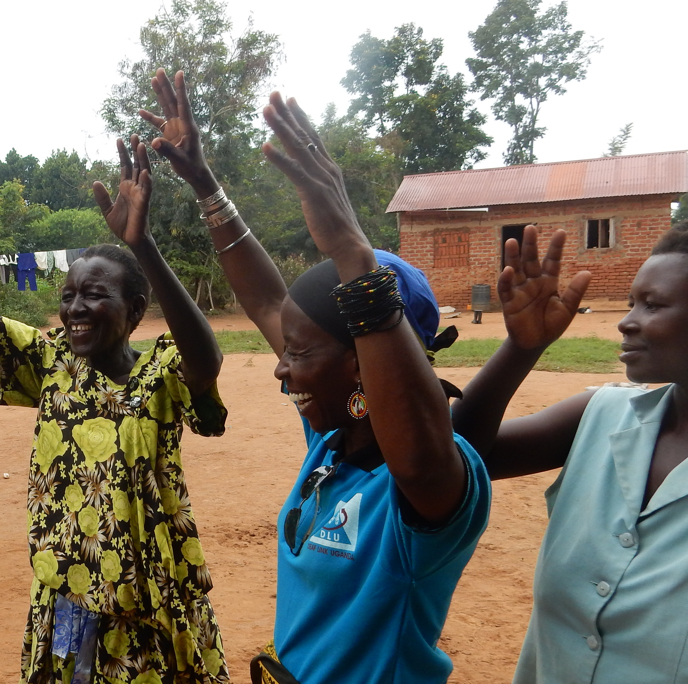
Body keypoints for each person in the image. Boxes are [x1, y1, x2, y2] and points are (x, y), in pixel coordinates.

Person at [139, 70, 491, 684]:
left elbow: (415, 457)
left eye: (298, 352)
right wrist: (204, 184)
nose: (280, 365)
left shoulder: (427, 484)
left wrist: (353, 255)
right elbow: (269, 304)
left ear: (363, 361)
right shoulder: (332, 445)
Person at [0, 105, 229, 684]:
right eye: (69, 295)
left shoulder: (162, 375)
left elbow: (207, 358)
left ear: (133, 312)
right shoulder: (48, 364)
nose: (74, 309)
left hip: (153, 603)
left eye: (94, 295)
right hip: (68, 601)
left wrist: (142, 243)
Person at [451, 220, 688, 683]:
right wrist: (522, 349)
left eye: (653, 305)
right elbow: (461, 456)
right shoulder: (601, 414)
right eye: (631, 302)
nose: (626, 320)